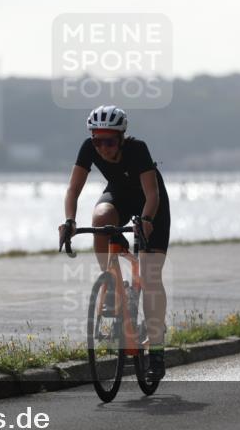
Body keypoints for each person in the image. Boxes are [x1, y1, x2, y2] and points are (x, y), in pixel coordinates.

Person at [58, 105, 171, 380]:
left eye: (108, 141)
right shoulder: (89, 148)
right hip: (118, 196)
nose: (102, 148)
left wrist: (145, 220)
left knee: (150, 276)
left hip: (151, 204)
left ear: (120, 138)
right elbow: (73, 189)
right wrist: (70, 221)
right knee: (101, 218)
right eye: (97, 140)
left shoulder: (138, 149)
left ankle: (156, 350)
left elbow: (152, 194)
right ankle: (110, 281)